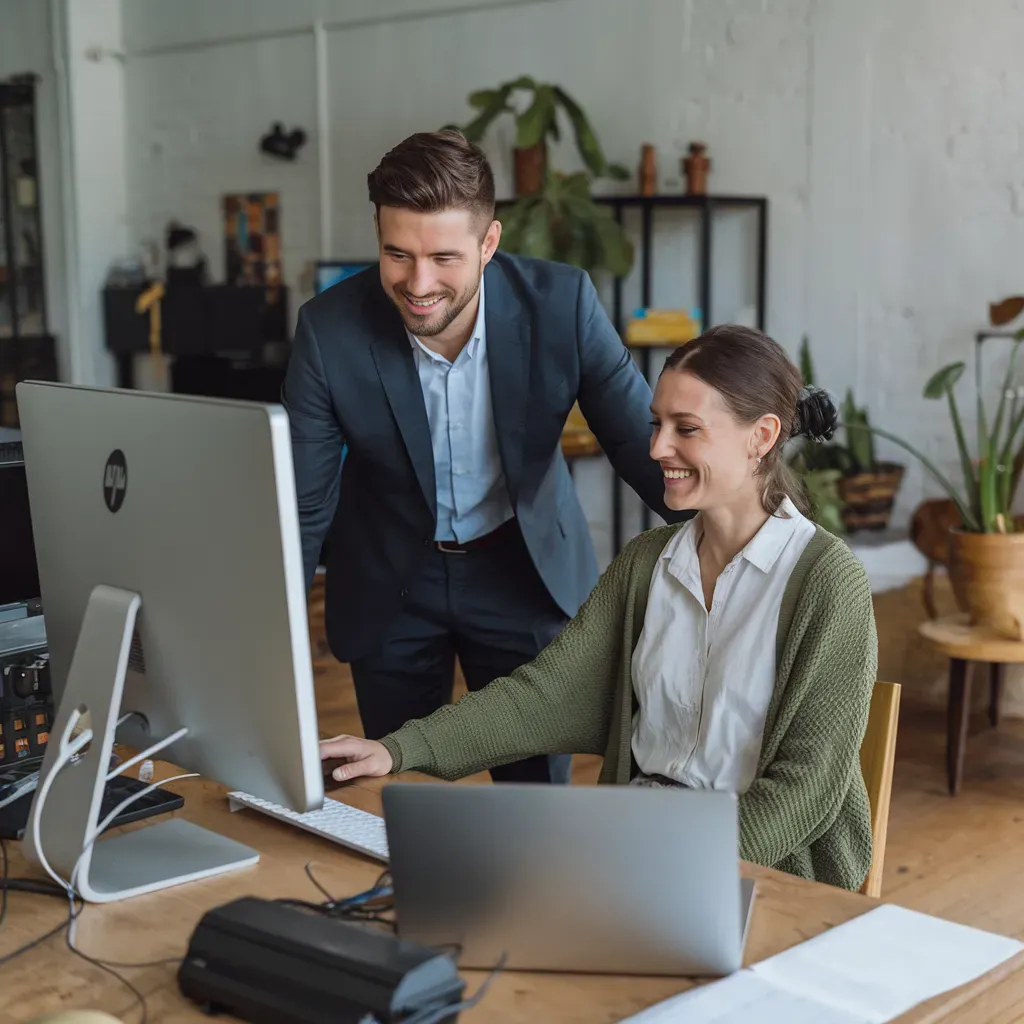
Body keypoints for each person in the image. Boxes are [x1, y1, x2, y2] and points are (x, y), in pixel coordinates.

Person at [318, 325, 880, 891]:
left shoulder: (826, 584)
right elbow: (542, 694)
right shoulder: (647, 564)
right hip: (630, 849)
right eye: (656, 425)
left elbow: (803, 790)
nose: (658, 448)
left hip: (762, 878)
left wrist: (675, 873)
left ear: (761, 437)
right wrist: (397, 749)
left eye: (686, 429)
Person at [283, 129, 685, 787]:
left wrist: (742, 547)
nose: (418, 283)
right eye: (396, 254)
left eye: (445, 257)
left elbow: (642, 447)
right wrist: (274, 643)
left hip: (523, 573)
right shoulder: (329, 331)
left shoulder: (563, 303)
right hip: (391, 582)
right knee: (398, 792)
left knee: (535, 803)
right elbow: (304, 501)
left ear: (489, 243)